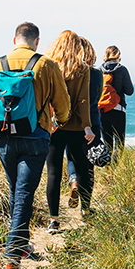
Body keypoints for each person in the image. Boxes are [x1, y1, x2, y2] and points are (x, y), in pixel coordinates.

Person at [0, 22, 70, 269]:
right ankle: (11, 259)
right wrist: (59, 122)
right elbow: (62, 105)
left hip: (4, 138)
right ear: (37, 42)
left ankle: (22, 245)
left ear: (14, 40)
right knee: (24, 195)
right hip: (36, 137)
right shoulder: (47, 65)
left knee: (16, 191)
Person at [44, 31, 94, 233]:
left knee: (53, 172)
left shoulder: (47, 65)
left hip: (53, 127)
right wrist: (87, 126)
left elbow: (45, 96)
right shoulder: (83, 68)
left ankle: (54, 220)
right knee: (83, 168)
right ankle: (86, 212)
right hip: (75, 126)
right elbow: (83, 100)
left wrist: (48, 120)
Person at [65, 36, 103, 215]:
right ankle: (86, 209)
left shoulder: (68, 72)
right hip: (93, 123)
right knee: (89, 164)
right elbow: (98, 95)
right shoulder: (96, 74)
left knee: (72, 158)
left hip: (72, 123)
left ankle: (73, 182)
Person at [99, 45, 134, 161]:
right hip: (118, 110)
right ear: (118, 56)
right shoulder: (122, 69)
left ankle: (108, 170)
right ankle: (115, 168)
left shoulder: (100, 70)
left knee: (107, 144)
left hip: (102, 110)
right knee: (119, 143)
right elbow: (130, 91)